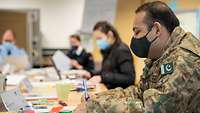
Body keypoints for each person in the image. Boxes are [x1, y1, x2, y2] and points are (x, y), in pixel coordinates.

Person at [73, 1, 200, 113]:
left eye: (137, 31)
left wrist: (95, 107)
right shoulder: (160, 55)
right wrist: (99, 98)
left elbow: (154, 108)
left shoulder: (185, 59)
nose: (134, 38)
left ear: (156, 30)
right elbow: (138, 92)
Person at [87, 21, 135, 89]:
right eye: (96, 39)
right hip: (110, 89)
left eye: (99, 38)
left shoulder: (122, 50)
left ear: (110, 34)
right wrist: (90, 73)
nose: (98, 42)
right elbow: (106, 72)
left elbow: (129, 78)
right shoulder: (108, 50)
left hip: (121, 94)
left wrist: (102, 78)